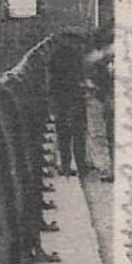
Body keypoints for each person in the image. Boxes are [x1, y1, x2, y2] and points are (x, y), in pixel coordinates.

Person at [48, 31, 90, 176]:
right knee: (78, 133)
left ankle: (66, 166)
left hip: (61, 99)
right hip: (73, 97)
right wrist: (82, 85)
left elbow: (51, 80)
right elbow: (74, 77)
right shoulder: (74, 55)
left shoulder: (55, 55)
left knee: (64, 134)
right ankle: (80, 166)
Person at [87, 29, 115, 182]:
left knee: (98, 133)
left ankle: (105, 167)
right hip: (105, 96)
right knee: (105, 133)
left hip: (100, 96)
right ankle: (106, 167)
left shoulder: (95, 58)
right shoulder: (102, 58)